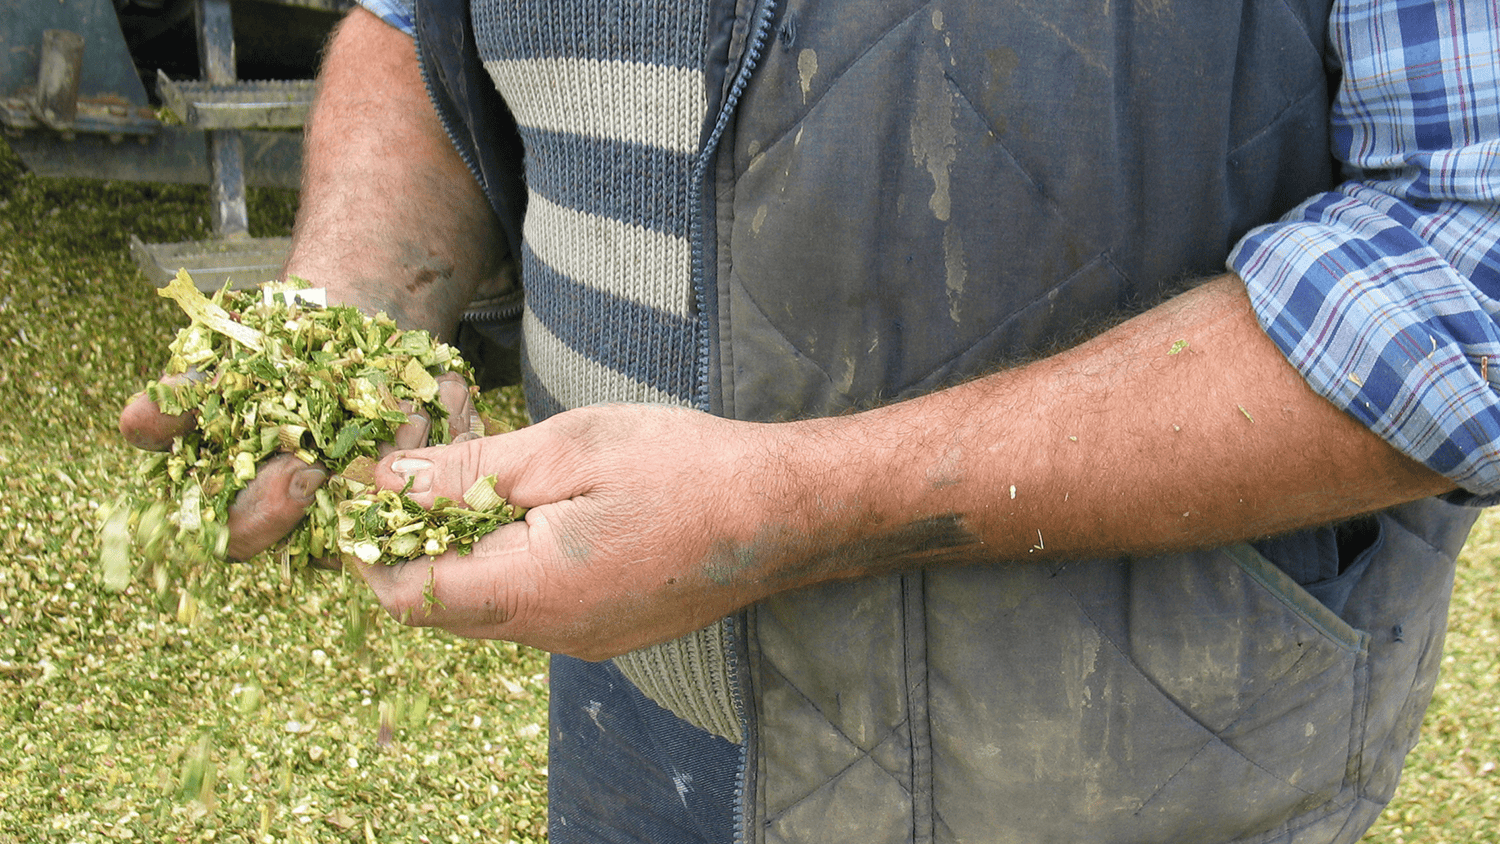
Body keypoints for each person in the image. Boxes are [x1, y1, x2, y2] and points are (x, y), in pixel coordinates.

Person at [122, 0, 1500, 841]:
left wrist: (792, 505)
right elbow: (419, 25)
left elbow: (1463, 274)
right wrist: (342, 310)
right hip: (639, 723)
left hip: (1111, 766)